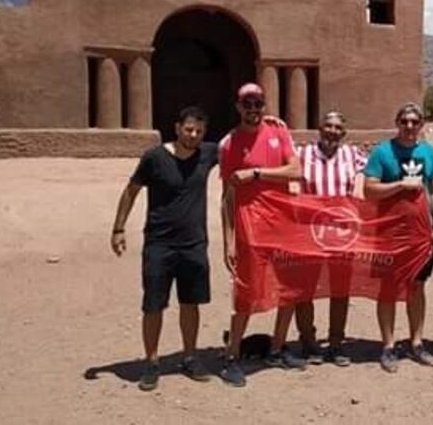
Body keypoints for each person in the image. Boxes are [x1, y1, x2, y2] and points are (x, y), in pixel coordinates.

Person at [110, 106, 219, 392]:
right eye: (188, 129)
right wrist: (118, 228)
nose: (193, 135)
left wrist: (273, 124)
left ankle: (190, 356)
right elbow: (132, 190)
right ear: (177, 127)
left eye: (198, 131)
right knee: (154, 304)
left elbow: (242, 143)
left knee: (191, 303)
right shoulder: (154, 157)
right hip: (160, 244)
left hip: (194, 243)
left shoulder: (208, 153)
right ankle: (152, 361)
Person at [218, 83, 304, 387]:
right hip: (249, 226)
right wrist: (228, 240)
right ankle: (232, 355)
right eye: (247, 104)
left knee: (288, 288)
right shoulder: (229, 144)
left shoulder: (278, 133)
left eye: (258, 104)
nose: (253, 109)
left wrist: (256, 174)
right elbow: (226, 197)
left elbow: (295, 171)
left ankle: (277, 348)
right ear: (238, 106)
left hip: (281, 223)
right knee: (246, 291)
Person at [363, 102, 433, 373]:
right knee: (387, 288)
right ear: (397, 123)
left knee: (417, 287)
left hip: (421, 235)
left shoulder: (429, 152)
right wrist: (399, 185)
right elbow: (369, 190)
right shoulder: (382, 152)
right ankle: (388, 345)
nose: (409, 127)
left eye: (414, 122)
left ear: (421, 125)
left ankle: (417, 342)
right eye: (404, 121)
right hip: (388, 233)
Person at [293, 110, 368, 367]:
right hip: (310, 233)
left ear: (343, 132)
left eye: (337, 127)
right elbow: (290, 183)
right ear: (319, 128)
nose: (332, 131)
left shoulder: (354, 155)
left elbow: (365, 180)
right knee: (304, 289)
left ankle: (336, 343)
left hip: (341, 235)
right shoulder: (302, 155)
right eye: (328, 126)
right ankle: (308, 341)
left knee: (340, 289)